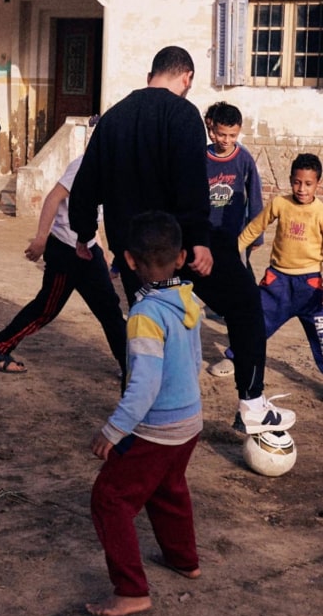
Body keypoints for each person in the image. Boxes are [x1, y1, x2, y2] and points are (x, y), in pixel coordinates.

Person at [68, 45, 295, 436]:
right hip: (180, 246)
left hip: (136, 253)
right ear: (186, 77)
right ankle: (253, 405)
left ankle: (144, 420)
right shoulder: (182, 114)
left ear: (152, 73)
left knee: (150, 329)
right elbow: (191, 183)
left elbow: (86, 183)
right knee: (243, 305)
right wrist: (201, 240)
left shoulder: (112, 118)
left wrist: (84, 234)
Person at [87, 211, 202, 616]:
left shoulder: (144, 316)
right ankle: (184, 559)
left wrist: (114, 429)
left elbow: (145, 384)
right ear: (182, 256)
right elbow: (194, 360)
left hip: (158, 427)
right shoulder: (187, 298)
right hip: (190, 421)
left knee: (110, 499)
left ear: (129, 261)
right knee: (169, 488)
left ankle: (131, 590)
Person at [0, 155, 126, 378]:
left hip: (88, 249)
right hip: (65, 250)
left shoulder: (116, 166)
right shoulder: (83, 164)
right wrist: (41, 239)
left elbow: (91, 215)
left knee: (110, 310)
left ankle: (130, 365)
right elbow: (54, 197)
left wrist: (102, 249)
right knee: (46, 308)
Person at [239, 153, 323, 374]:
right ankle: (235, 357)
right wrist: (232, 251)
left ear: (317, 183)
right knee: (254, 322)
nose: (301, 189)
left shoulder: (320, 212)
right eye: (297, 182)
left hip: (310, 285)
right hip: (277, 281)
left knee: (322, 337)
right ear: (290, 179)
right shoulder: (279, 203)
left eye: (308, 184)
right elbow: (254, 229)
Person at [204, 101, 263, 375]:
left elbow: (255, 197)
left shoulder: (244, 159)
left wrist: (256, 234)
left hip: (235, 240)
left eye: (232, 135)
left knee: (240, 296)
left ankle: (235, 351)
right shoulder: (200, 157)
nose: (226, 141)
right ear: (212, 130)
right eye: (222, 134)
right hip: (205, 237)